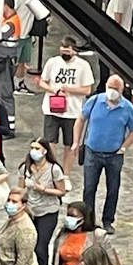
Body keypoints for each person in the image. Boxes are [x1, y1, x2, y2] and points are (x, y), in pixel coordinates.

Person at [73, 75, 133, 234]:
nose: (112, 91)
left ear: (122, 91)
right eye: (110, 87)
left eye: (115, 89)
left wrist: (123, 148)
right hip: (92, 153)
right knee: (89, 188)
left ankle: (108, 220)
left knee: (113, 188)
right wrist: (76, 141)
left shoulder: (127, 108)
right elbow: (81, 119)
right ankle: (88, 220)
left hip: (114, 156)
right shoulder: (95, 101)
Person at [36, 37, 93, 188]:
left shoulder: (83, 66)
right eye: (62, 51)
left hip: (72, 111)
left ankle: (65, 174)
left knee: (70, 144)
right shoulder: (52, 62)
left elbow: (87, 89)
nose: (65, 54)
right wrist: (53, 90)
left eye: (67, 52)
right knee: (50, 142)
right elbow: (42, 81)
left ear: (74, 51)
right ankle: (53, 171)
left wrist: (69, 90)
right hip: (52, 108)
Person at [17, 138, 67, 265]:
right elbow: (21, 189)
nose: (34, 151)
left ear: (45, 151)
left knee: (41, 246)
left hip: (48, 211)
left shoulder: (54, 169)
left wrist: (44, 189)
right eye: (32, 147)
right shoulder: (25, 168)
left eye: (37, 148)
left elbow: (61, 191)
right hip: (30, 210)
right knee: (28, 244)